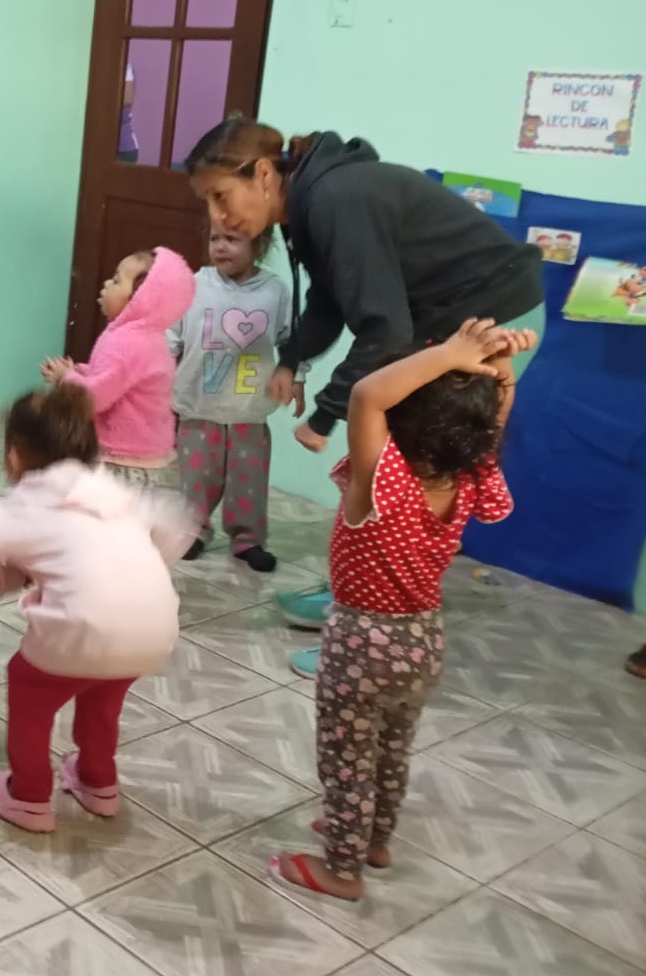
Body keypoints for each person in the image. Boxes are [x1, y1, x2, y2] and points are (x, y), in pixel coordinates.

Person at [185, 118, 544, 646]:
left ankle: (374, 635)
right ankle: (350, 597)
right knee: (380, 479)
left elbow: (384, 327)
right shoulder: (311, 203)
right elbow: (331, 300)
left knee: (409, 484)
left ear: (262, 173)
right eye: (208, 204)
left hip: (491, 320)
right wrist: (292, 358)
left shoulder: (335, 198)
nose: (219, 217)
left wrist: (327, 413)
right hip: (443, 327)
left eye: (221, 196)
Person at [269, 320, 533, 902]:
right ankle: (375, 841)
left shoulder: (382, 479)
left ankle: (342, 869)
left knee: (347, 758)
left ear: (401, 419)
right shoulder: (468, 475)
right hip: (423, 641)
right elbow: (492, 423)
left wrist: (451, 353)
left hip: (362, 643)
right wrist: (499, 369)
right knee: (391, 749)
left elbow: (367, 395)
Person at [0, 386, 192, 833]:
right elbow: (177, 522)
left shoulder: (24, 506)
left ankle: (29, 796)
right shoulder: (116, 493)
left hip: (78, 631)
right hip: (151, 632)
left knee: (30, 694)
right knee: (102, 694)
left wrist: (7, 578)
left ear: (14, 455)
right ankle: (98, 782)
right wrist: (135, 569)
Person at [168, 224, 303, 571]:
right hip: (198, 404)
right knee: (195, 479)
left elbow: (292, 340)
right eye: (214, 238)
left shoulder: (274, 291)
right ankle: (192, 532)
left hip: (249, 408)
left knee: (249, 479)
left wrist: (297, 377)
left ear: (259, 245)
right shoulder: (194, 285)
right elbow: (170, 336)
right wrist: (154, 376)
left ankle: (248, 540)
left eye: (231, 240)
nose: (220, 246)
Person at [42, 247, 197, 491]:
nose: (106, 284)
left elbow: (96, 397)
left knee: (109, 514)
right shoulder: (146, 338)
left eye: (116, 281)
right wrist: (80, 372)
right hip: (146, 457)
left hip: (125, 464)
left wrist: (66, 378)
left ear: (141, 299)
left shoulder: (127, 342)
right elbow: (118, 381)